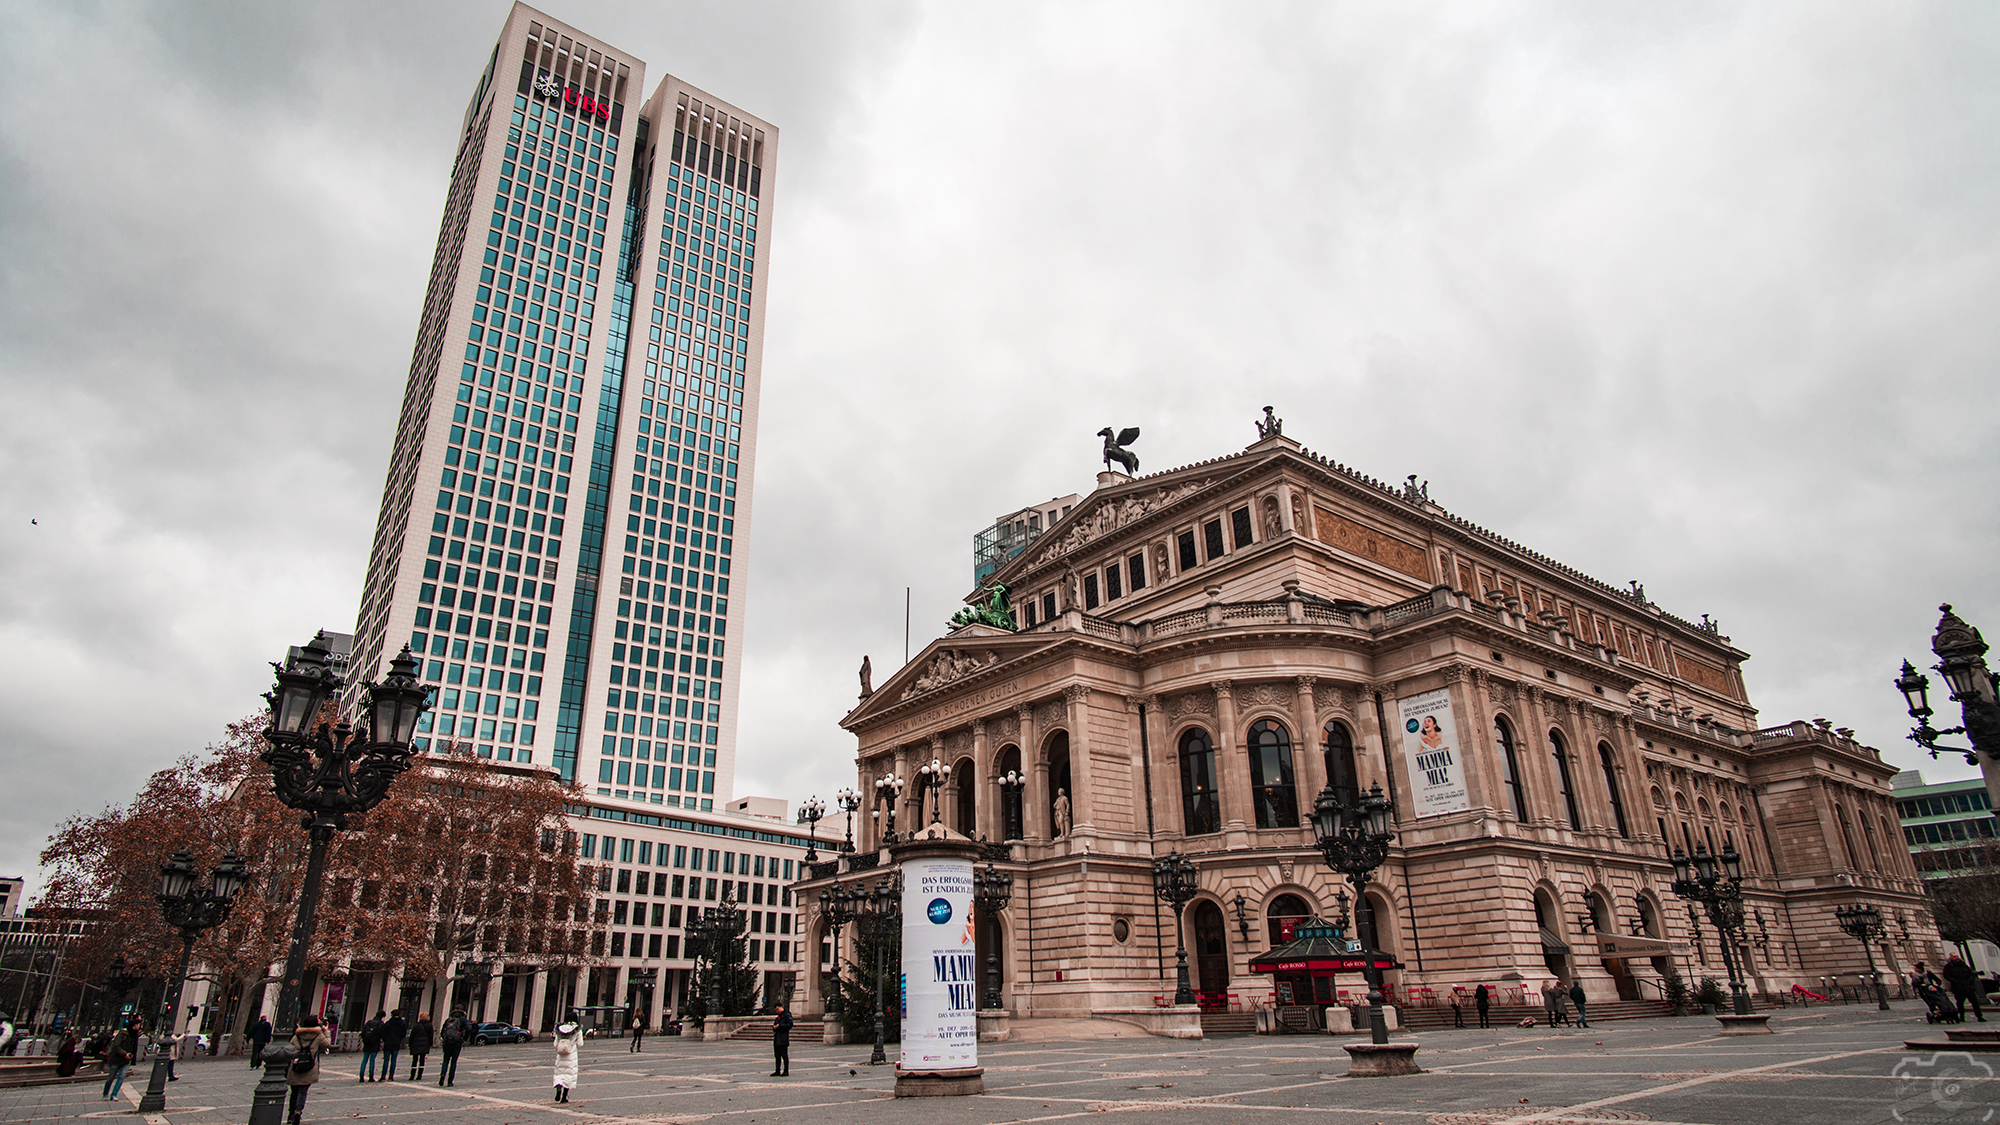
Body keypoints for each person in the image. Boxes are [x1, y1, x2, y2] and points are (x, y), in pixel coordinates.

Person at [286, 1011, 330, 1125]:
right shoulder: (318, 1035)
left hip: (296, 1065)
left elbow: (290, 1049)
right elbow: (327, 1044)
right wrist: (326, 1032)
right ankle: (298, 1110)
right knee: (303, 1091)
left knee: (294, 1091)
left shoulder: (297, 1035)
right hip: (309, 1066)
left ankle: (290, 1114)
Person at [1945, 955, 1988, 1023]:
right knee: (1960, 1003)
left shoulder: (1963, 965)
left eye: (1957, 956)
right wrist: (1955, 981)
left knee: (1974, 1002)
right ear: (1951, 958)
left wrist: (1969, 981)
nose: (1956, 958)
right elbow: (1946, 975)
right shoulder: (1949, 966)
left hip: (1968, 987)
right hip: (1958, 988)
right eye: (1954, 957)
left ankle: (1979, 1016)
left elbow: (1971, 974)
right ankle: (1962, 1017)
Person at [551, 1012, 582, 1103]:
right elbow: (580, 1044)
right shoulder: (577, 1029)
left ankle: (558, 1088)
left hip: (560, 1055)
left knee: (559, 1074)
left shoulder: (559, 1028)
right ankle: (564, 1096)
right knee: (569, 1075)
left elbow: (555, 1044)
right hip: (571, 1055)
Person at [101, 1021, 136, 1100]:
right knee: (111, 1077)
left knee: (121, 1077)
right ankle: (105, 1094)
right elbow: (116, 1045)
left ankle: (114, 1095)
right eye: (138, 1024)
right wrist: (124, 1054)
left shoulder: (134, 1035)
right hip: (116, 1059)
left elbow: (133, 1047)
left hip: (126, 1060)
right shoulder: (123, 1034)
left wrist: (131, 1055)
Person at [437, 1009, 469, 1088]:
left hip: (447, 1043)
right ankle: (450, 1081)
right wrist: (463, 1039)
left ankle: (443, 1074)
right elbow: (468, 1029)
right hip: (457, 1042)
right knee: (454, 1061)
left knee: (445, 1060)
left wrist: (444, 1038)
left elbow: (442, 1031)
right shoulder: (463, 1020)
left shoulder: (449, 1019)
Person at [381, 1009, 407, 1080]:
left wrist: (385, 1040)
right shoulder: (402, 1024)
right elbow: (404, 1034)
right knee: (393, 1060)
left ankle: (383, 1076)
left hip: (388, 1043)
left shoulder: (388, 1023)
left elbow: (383, 1033)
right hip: (396, 1043)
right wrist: (399, 1039)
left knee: (386, 1060)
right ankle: (391, 1076)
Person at [406, 1012, 433, 1081]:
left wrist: (410, 1044)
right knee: (422, 1060)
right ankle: (419, 1075)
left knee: (414, 1060)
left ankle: (412, 1075)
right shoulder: (429, 1025)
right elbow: (431, 1036)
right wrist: (430, 1044)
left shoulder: (416, 1025)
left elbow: (412, 1036)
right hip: (424, 1044)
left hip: (415, 1043)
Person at [359, 1010, 384, 1082]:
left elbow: (363, 1032)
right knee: (372, 1060)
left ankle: (361, 1076)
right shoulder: (380, 1024)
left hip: (367, 1043)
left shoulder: (369, 1022)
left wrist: (365, 1040)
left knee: (364, 1060)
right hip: (375, 1044)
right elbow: (382, 1034)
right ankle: (371, 1076)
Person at [771, 1003, 793, 1077]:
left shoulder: (787, 1015)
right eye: (776, 1010)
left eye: (778, 1009)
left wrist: (780, 1026)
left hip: (783, 1039)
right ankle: (777, 1070)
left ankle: (786, 1070)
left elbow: (790, 1025)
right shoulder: (778, 1018)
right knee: (777, 1056)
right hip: (777, 1039)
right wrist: (774, 1027)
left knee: (784, 1055)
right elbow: (774, 1026)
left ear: (781, 1007)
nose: (777, 1011)